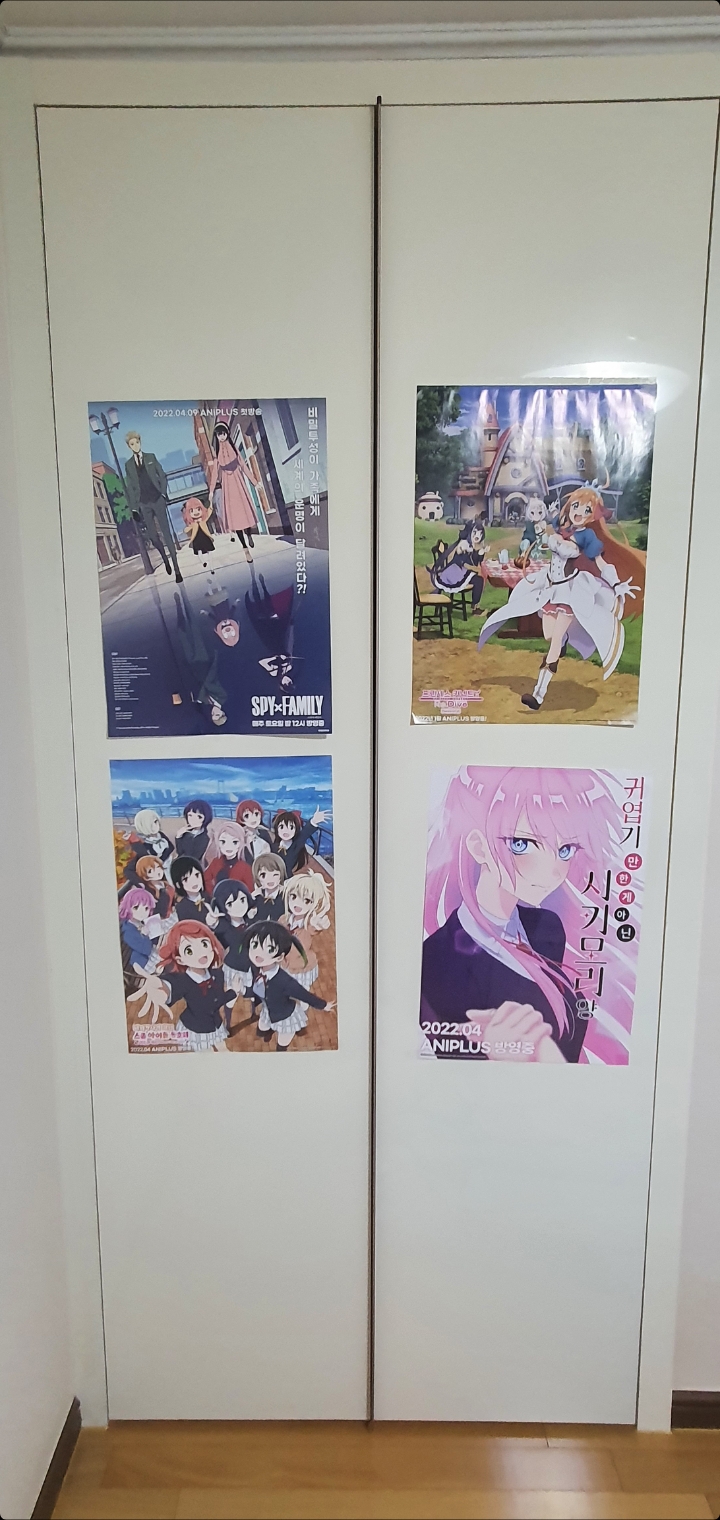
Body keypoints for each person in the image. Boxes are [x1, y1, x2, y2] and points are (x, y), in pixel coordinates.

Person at [420, 766, 631, 1064]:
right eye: (522, 844)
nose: (553, 871)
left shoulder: (546, 930)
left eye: (565, 849)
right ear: (479, 848)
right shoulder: (435, 963)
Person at [477, 485, 644, 712]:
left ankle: (538, 695)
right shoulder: (561, 526)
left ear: (592, 516)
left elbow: (600, 563)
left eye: (587, 510)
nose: (579, 513)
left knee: (554, 643)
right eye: (576, 506)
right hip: (551, 588)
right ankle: (562, 641)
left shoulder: (587, 536)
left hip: (569, 592)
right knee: (549, 635)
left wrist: (616, 583)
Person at [131, 920, 234, 1052]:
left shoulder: (217, 974)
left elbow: (218, 1000)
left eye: (204, 944)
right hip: (196, 1029)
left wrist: (233, 992)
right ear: (180, 960)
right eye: (189, 950)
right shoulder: (184, 980)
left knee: (224, 1051)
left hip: (216, 1026)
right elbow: (172, 985)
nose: (201, 952)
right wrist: (162, 988)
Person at [241, 920, 335, 1049]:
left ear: (280, 957)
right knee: (262, 1029)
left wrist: (323, 1005)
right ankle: (268, 1034)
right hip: (268, 1011)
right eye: (255, 944)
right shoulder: (255, 969)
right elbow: (255, 990)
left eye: (269, 949)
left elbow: (304, 995)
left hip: (285, 1018)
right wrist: (242, 989)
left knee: (281, 1045)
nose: (259, 952)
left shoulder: (285, 982)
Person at [123, 430, 183, 583]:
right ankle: (164, 558)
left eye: (137, 442)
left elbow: (162, 475)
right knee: (153, 536)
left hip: (157, 500)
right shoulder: (128, 465)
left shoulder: (151, 457)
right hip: (144, 504)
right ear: (129, 446)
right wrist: (134, 508)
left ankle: (177, 570)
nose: (135, 446)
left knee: (167, 534)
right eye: (132, 444)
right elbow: (130, 488)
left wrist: (163, 494)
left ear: (140, 442)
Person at [207, 422, 259, 560]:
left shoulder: (234, 448)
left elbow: (243, 465)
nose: (221, 437)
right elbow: (214, 474)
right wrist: (211, 491)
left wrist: (254, 482)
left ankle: (249, 534)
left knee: (244, 511)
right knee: (235, 518)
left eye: (223, 434)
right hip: (228, 487)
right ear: (216, 436)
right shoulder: (217, 454)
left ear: (227, 433)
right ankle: (245, 548)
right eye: (219, 435)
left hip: (238, 483)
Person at [281, 869, 332, 990]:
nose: (298, 903)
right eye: (294, 896)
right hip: (284, 964)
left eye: (307, 900)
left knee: (302, 992)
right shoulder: (283, 919)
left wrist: (319, 924)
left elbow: (315, 928)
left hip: (302, 967)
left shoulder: (308, 925)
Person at [430, 517, 486, 612]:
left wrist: (481, 553)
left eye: (480, 534)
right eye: (475, 532)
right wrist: (473, 568)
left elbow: (476, 562)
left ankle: (475, 606)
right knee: (479, 580)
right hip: (455, 572)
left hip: (464, 572)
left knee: (479, 580)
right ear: (469, 532)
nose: (477, 536)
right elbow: (461, 562)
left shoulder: (473, 545)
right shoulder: (463, 545)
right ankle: (475, 608)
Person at [212, 879, 255, 999]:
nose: (239, 907)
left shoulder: (251, 922)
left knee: (251, 996)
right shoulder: (224, 927)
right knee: (232, 997)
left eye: (242, 900)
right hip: (233, 967)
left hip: (251, 967)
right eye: (230, 904)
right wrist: (213, 923)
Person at [272, 807, 330, 876]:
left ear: (296, 830)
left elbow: (304, 834)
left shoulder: (296, 845)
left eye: (291, 827)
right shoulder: (273, 846)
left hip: (287, 878)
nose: (286, 831)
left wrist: (313, 821)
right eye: (282, 827)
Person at [118, 888, 162, 978]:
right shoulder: (128, 930)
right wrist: (145, 935)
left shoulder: (140, 923)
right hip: (143, 964)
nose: (142, 913)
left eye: (146, 908)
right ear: (127, 907)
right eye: (136, 908)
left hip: (150, 955)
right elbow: (145, 950)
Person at [204, 820, 254, 897]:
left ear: (241, 843)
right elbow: (205, 879)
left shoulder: (245, 868)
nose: (228, 846)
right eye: (223, 841)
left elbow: (249, 890)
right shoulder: (216, 862)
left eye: (234, 842)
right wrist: (213, 894)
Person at [124, 809, 174, 882]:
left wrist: (167, 853)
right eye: (151, 824)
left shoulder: (161, 835)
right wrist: (165, 855)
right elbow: (154, 861)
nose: (156, 825)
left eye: (156, 821)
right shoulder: (147, 845)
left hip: (170, 864)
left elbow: (171, 847)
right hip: (161, 871)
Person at [170, 856, 215, 925]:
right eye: (186, 879)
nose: (194, 881)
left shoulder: (207, 896)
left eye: (197, 875)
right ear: (178, 884)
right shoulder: (182, 908)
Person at [181, 497, 215, 569]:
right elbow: (186, 530)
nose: (196, 512)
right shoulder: (192, 523)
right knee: (199, 551)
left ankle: (212, 567)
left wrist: (210, 501)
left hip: (205, 537)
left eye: (198, 509)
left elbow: (209, 511)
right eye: (192, 511)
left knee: (209, 551)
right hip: (197, 539)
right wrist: (189, 527)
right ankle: (203, 562)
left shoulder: (203, 520)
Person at [236, 799, 273, 865]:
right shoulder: (240, 835)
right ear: (241, 818)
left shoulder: (263, 832)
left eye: (256, 814)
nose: (253, 819)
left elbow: (272, 850)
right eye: (247, 816)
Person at [251, 853, 286, 921]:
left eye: (275, 875)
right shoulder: (255, 897)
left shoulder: (286, 896)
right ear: (257, 877)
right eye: (263, 875)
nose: (270, 879)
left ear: (281, 875)